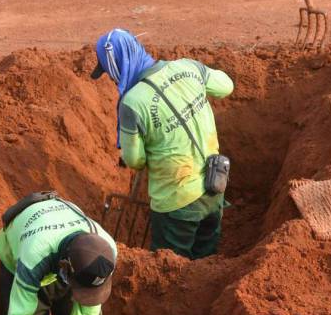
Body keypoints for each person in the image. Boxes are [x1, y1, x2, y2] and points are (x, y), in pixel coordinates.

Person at [91, 28, 235, 259]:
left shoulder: (132, 103)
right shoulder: (188, 67)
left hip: (175, 202)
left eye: (109, 72)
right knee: (206, 260)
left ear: (116, 65)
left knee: (170, 268)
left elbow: (134, 160)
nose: (112, 78)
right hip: (215, 183)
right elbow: (226, 86)